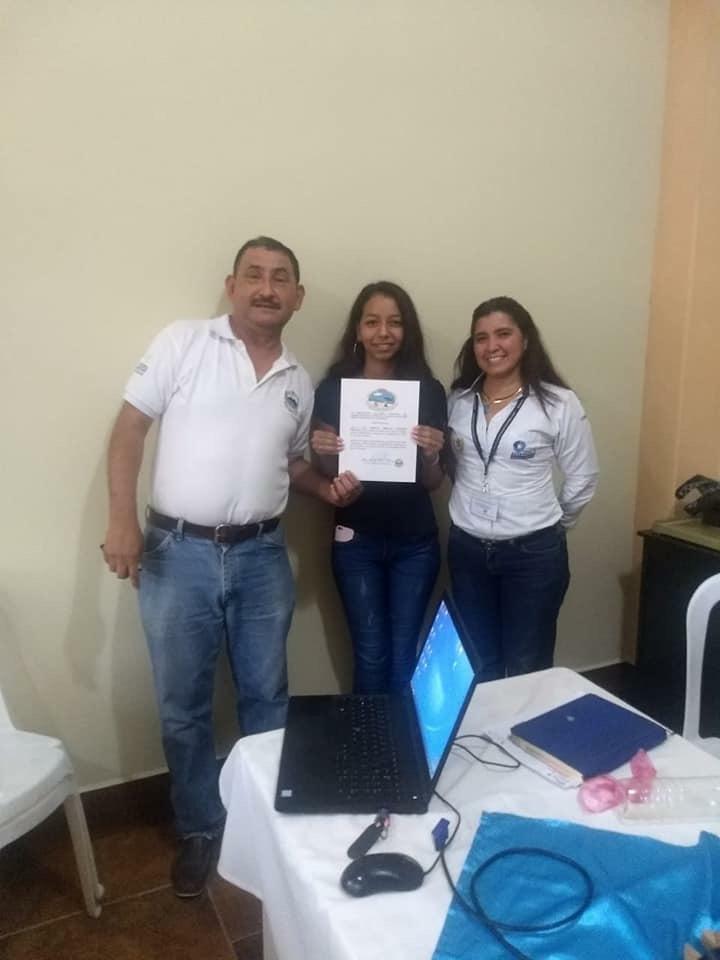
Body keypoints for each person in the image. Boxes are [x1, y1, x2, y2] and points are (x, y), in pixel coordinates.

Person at [102, 237, 360, 898]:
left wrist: (328, 489)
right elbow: (129, 428)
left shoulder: (299, 381)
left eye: (280, 279)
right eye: (254, 275)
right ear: (232, 285)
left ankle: (266, 820)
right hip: (175, 553)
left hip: (261, 555)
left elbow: (293, 466)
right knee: (182, 706)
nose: (267, 289)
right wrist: (122, 519)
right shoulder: (184, 342)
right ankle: (199, 826)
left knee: (266, 696)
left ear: (298, 296)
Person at [446, 295, 598, 682]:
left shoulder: (558, 403)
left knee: (526, 668)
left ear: (525, 339)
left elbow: (583, 477)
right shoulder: (458, 400)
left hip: (532, 556)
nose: (491, 346)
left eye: (503, 334)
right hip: (467, 550)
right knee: (477, 665)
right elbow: (452, 465)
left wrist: (552, 526)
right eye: (481, 337)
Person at [311, 281, 446, 693]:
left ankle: (402, 732)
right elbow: (329, 475)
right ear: (358, 329)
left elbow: (434, 483)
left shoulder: (429, 391)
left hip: (416, 542)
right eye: (372, 322)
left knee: (405, 655)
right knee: (369, 654)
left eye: (394, 322)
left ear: (408, 330)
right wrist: (324, 451)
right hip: (356, 542)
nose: (383, 332)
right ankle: (370, 733)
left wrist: (431, 455)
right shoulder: (333, 389)